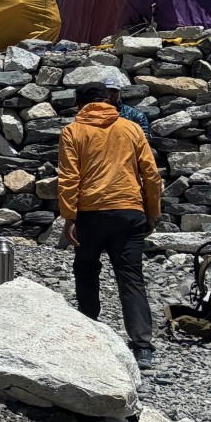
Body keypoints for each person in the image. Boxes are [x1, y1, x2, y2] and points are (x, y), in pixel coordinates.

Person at [58, 77, 163, 368]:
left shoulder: (73, 131)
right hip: (129, 211)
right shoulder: (131, 128)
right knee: (131, 277)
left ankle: (90, 332)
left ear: (79, 104)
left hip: (91, 213)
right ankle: (142, 346)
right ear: (110, 100)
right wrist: (152, 211)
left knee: (86, 269)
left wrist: (69, 218)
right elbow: (151, 174)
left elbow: (69, 178)